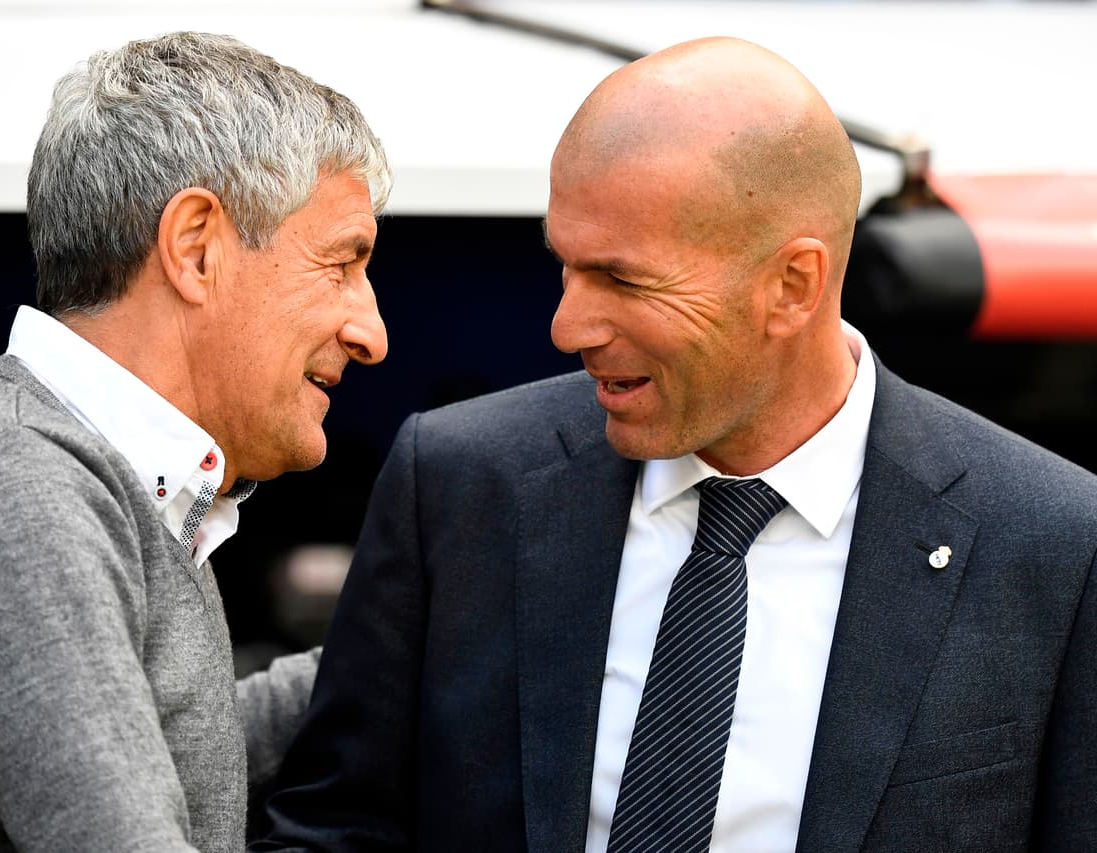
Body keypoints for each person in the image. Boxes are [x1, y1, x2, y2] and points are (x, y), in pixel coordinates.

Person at [253, 36, 1097, 852]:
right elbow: (334, 828)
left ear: (792, 284)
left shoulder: (1054, 542)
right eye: (566, 267)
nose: (565, 325)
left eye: (623, 278)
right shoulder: (459, 481)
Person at [0, 30, 390, 852]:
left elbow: (175, 747)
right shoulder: (8, 486)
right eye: (342, 263)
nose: (370, 331)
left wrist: (412, 647)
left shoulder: (84, 480)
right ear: (196, 247)